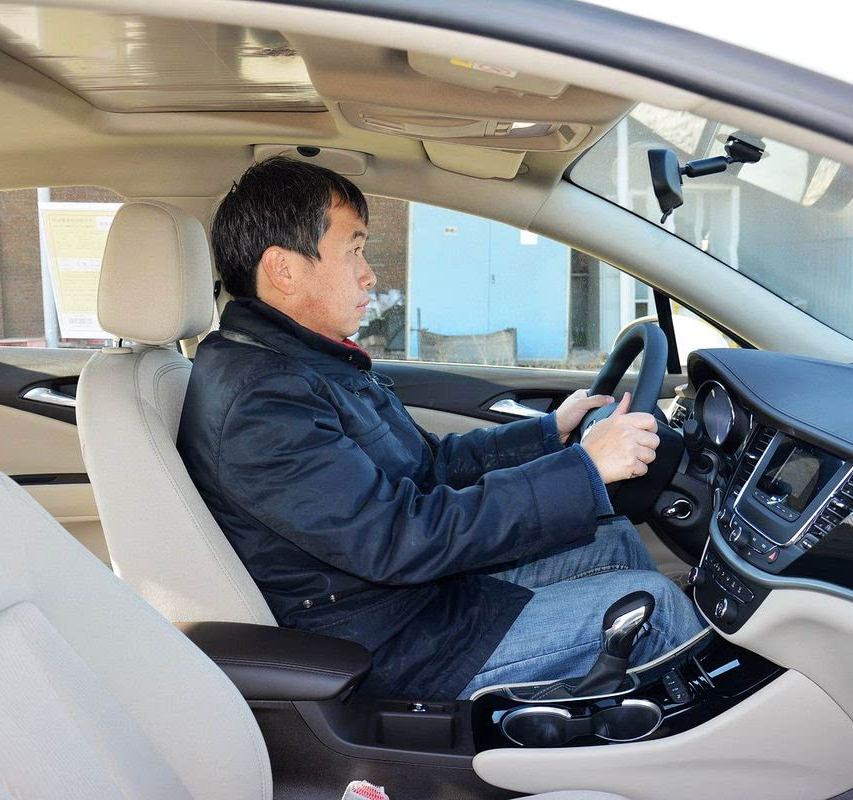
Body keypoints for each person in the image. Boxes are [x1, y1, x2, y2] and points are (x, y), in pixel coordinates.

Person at [177, 157, 704, 700]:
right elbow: (395, 537)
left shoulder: (307, 364)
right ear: (284, 269)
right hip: (389, 642)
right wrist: (584, 468)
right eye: (353, 250)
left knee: (611, 540)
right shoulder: (263, 400)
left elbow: (428, 465)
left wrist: (552, 433)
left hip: (413, 599)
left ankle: (628, 711)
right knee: (655, 609)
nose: (369, 273)